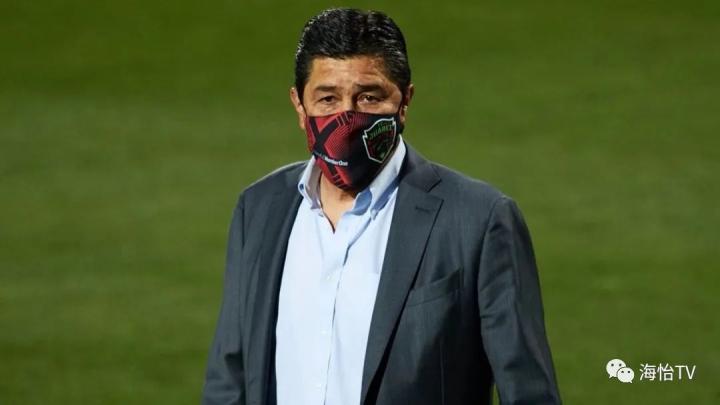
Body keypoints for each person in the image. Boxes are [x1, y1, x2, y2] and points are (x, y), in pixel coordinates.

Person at [202, 7, 561, 405]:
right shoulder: (258, 209)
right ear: (299, 106)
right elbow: (229, 380)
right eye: (327, 98)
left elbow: (528, 392)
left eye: (369, 97)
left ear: (404, 102)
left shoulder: (478, 220)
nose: (346, 118)